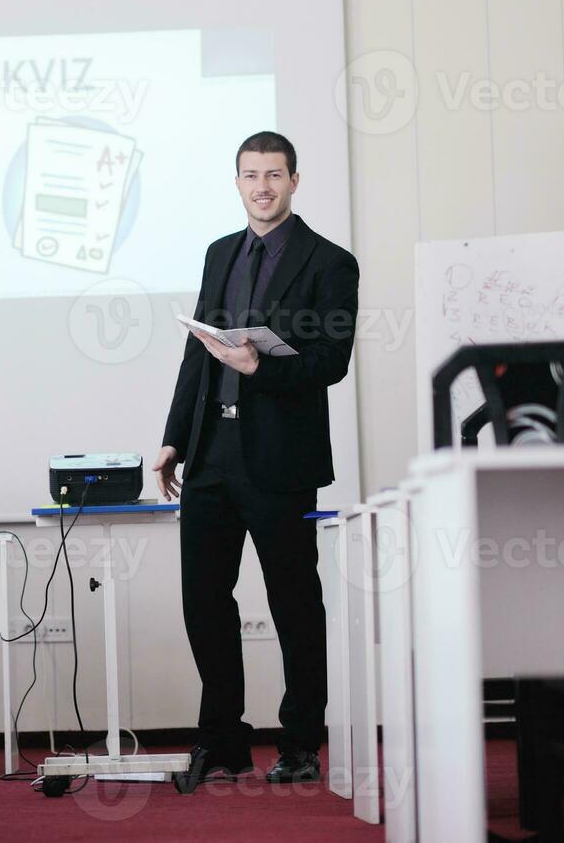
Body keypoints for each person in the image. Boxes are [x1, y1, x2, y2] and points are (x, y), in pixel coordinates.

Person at [153, 131, 359, 790]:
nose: (262, 186)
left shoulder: (330, 263)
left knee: (295, 604)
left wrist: (259, 366)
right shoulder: (219, 254)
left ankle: (300, 744)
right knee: (203, 600)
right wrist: (174, 439)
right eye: (250, 175)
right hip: (211, 455)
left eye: (274, 174)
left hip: (280, 461)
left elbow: (331, 364)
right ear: (237, 181)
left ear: (295, 181)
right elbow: (198, 354)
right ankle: (224, 741)